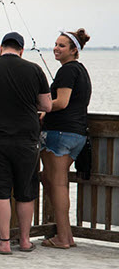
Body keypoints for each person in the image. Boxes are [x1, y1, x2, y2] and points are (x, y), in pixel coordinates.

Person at [0, 32, 52, 254]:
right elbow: (47, 105)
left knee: (0, 192)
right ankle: (24, 241)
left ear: (1, 47)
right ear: (22, 50)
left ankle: (4, 242)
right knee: (26, 190)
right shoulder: (35, 69)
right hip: (27, 139)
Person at [40, 29, 92, 249]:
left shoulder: (67, 71)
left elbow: (62, 102)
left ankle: (63, 238)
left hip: (60, 134)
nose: (56, 48)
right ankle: (66, 235)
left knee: (59, 184)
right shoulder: (81, 71)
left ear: (74, 50)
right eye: (55, 44)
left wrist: (41, 108)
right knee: (51, 179)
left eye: (62, 45)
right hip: (77, 134)